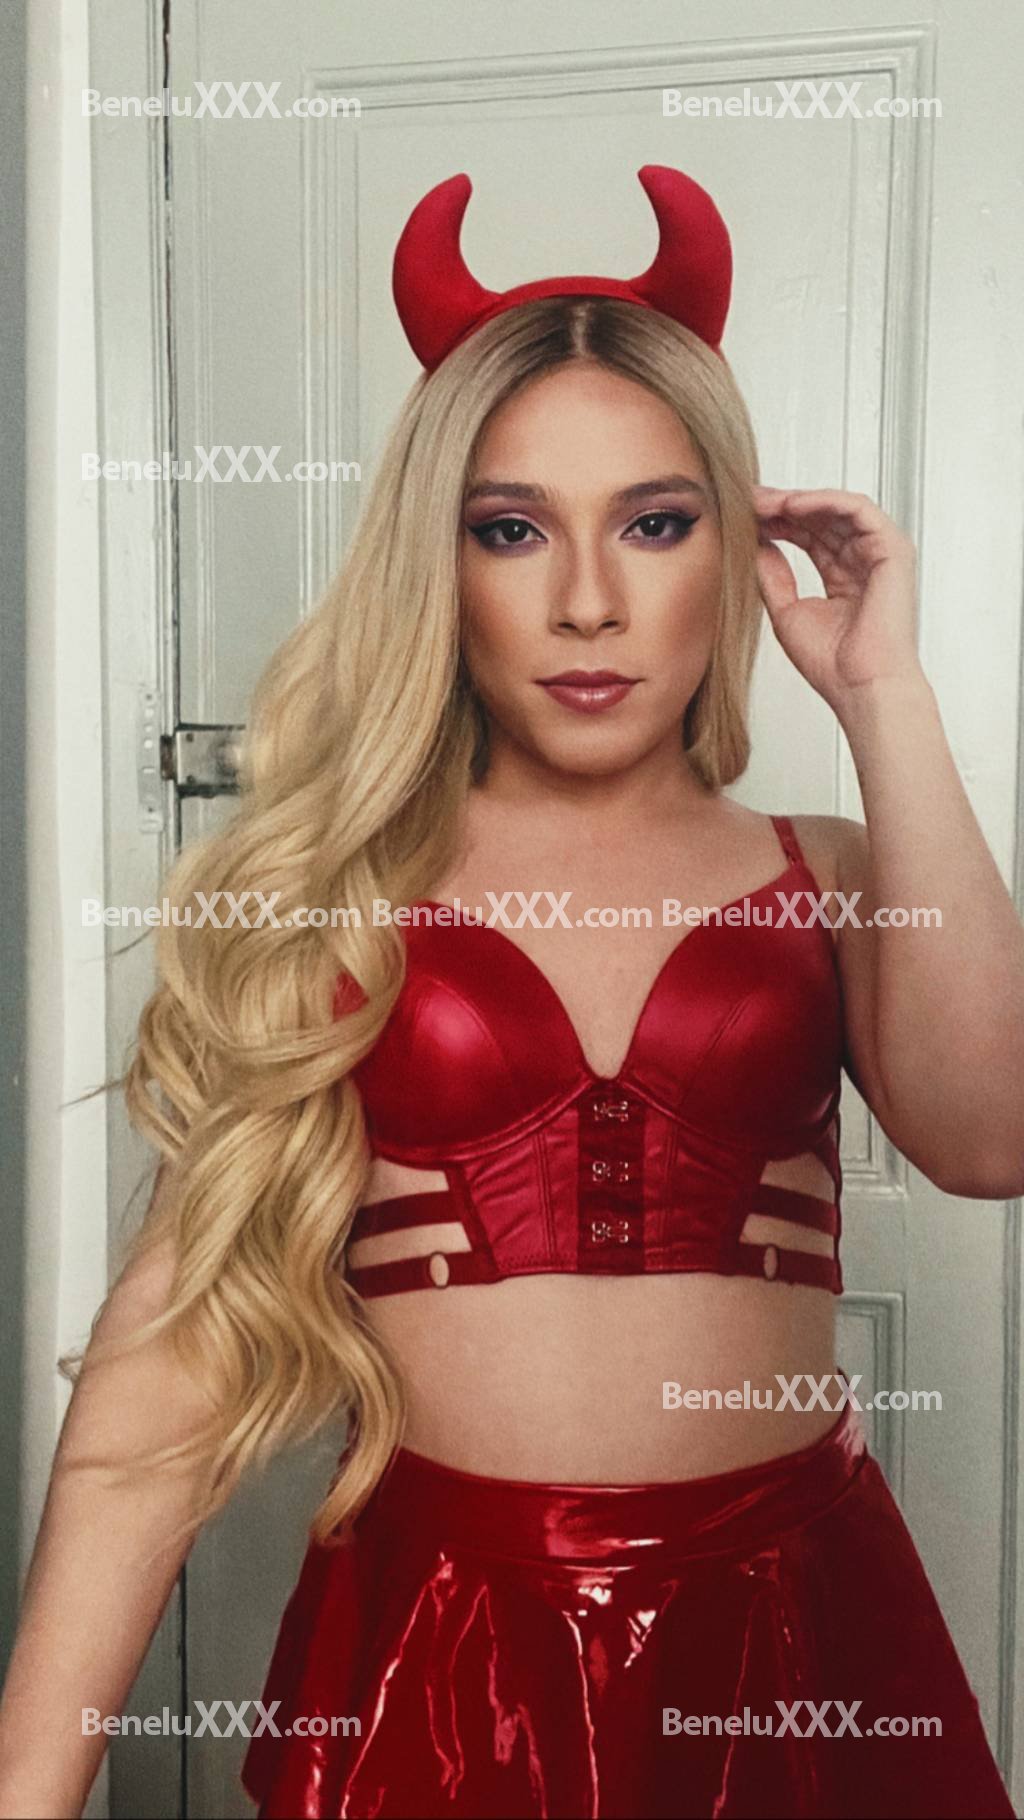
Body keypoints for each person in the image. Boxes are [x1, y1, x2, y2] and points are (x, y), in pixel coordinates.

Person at [1, 166, 1021, 1820]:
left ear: (735, 546)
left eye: (656, 523)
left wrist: (883, 693)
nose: (588, 601)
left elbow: (992, 1137)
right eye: (511, 529)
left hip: (797, 1626)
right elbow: (163, 1385)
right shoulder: (337, 895)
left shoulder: (830, 871)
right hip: (443, 1643)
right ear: (441, 558)